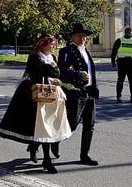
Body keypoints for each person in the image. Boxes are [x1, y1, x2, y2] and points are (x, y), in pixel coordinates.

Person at [0, 34, 72, 174]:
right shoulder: (35, 57)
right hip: (37, 96)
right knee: (43, 128)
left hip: (51, 95)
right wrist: (51, 74)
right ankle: (46, 160)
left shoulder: (52, 58)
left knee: (49, 126)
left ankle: (34, 146)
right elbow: (37, 75)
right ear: (43, 44)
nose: (53, 46)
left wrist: (52, 74)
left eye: (54, 44)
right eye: (51, 43)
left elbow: (57, 73)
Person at [56, 22, 100, 166]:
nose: (82, 38)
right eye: (79, 35)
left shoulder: (87, 51)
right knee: (72, 124)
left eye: (84, 35)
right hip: (75, 92)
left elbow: (92, 73)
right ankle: (54, 142)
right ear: (73, 36)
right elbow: (61, 72)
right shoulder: (66, 51)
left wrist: (95, 87)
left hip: (89, 92)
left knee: (90, 124)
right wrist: (79, 74)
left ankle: (84, 155)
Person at [111, 26, 132, 103]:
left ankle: (119, 97)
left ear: (124, 33)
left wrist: (113, 62)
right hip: (131, 63)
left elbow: (114, 52)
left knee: (120, 80)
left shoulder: (119, 40)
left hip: (121, 63)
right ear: (131, 33)